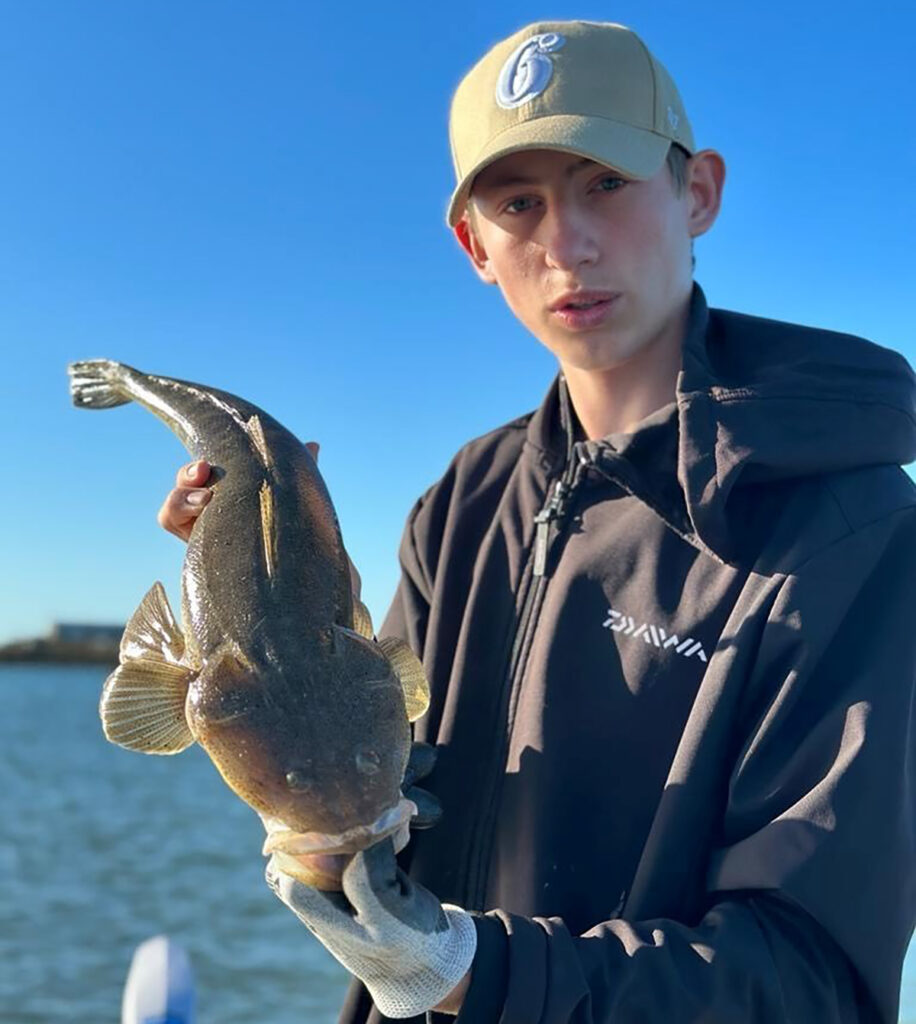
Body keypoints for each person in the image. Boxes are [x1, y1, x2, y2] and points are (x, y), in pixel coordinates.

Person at [159, 20, 916, 1023]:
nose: (567, 242)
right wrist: (250, 602)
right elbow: (385, 776)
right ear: (474, 246)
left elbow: (808, 979)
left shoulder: (849, 529)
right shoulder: (464, 498)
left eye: (605, 180)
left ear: (698, 194)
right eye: (520, 202)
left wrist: (473, 970)